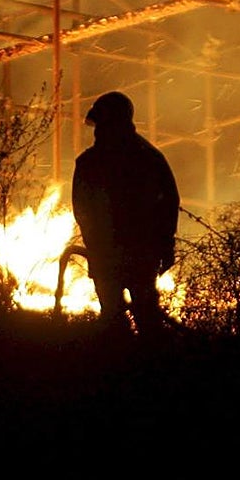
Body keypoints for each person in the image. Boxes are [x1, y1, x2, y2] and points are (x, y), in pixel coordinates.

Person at [71, 91, 180, 339]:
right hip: (135, 252)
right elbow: (168, 204)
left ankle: (131, 364)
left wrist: (95, 244)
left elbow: (82, 209)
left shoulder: (91, 162)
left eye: (101, 125)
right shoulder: (149, 157)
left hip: (119, 252)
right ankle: (142, 363)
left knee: (119, 317)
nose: (97, 131)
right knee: (141, 316)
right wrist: (165, 246)